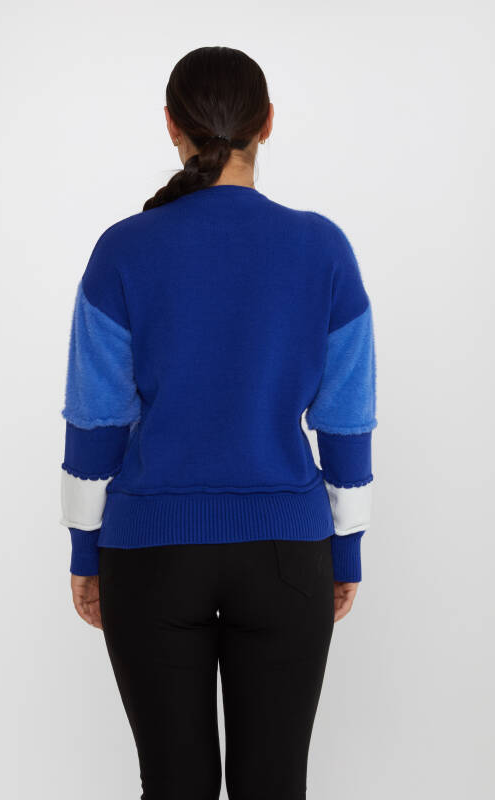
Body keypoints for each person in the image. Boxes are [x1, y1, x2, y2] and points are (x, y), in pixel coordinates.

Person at [59, 45, 377, 800]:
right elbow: (345, 423)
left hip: (149, 557)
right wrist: (347, 550)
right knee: (275, 787)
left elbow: (96, 423)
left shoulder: (123, 250)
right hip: (287, 558)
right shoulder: (322, 249)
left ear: (171, 125)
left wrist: (84, 549)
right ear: (266, 124)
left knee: (173, 787)